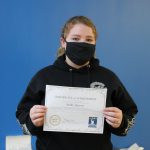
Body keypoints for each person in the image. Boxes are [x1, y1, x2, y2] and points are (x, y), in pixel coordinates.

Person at [16, 16, 138, 150]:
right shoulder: (44, 76)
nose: (82, 43)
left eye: (88, 40)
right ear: (63, 42)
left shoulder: (108, 77)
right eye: (75, 38)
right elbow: (22, 113)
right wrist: (32, 120)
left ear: (95, 43)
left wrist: (121, 122)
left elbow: (129, 113)